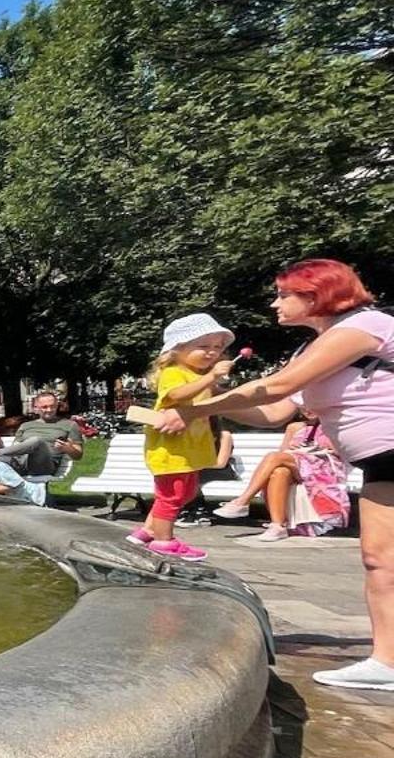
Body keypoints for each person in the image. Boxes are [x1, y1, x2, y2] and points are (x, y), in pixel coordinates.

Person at [151, 260, 394, 690]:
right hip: (382, 461)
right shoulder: (312, 348)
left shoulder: (365, 327)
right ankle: (387, 663)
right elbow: (275, 411)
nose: (274, 302)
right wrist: (215, 400)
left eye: (284, 294)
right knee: (380, 561)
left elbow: (280, 386)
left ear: (316, 294)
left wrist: (192, 409)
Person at [137, 313, 236, 559]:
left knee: (186, 493)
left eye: (217, 347)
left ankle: (148, 531)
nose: (212, 352)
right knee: (171, 495)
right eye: (203, 346)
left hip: (188, 449)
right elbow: (177, 395)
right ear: (177, 349)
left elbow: (214, 396)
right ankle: (163, 542)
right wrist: (210, 377)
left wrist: (218, 385)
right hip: (171, 449)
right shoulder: (174, 371)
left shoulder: (197, 375)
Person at [214, 413, 350, 543]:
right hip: (299, 467)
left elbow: (346, 453)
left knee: (273, 457)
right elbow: (284, 452)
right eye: (303, 407)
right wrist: (293, 447)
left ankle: (242, 501)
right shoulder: (295, 427)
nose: (307, 411)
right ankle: (278, 525)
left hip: (324, 470)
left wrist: (321, 446)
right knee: (280, 472)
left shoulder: (334, 425)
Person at [0, 392, 85, 482]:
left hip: (44, 466)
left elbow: (78, 455)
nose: (49, 410)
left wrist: (68, 448)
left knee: (37, 441)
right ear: (36, 407)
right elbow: (16, 447)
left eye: (52, 406)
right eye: (44, 407)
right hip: (21, 464)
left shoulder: (69, 425)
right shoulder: (26, 425)